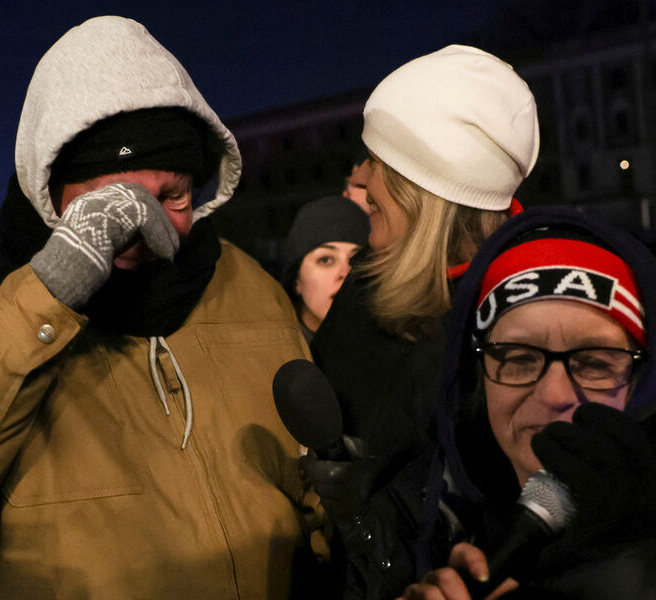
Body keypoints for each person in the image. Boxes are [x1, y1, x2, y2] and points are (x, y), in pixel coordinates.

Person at [0, 16, 318, 600]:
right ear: (47, 192)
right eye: (111, 200)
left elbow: (305, 485)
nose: (144, 226)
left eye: (172, 196)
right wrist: (51, 287)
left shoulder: (241, 282)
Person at [336, 206, 656, 599]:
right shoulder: (408, 520)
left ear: (642, 382)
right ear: (478, 377)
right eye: (519, 359)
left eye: (594, 364)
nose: (553, 395)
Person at [308, 46, 539, 491]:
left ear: (423, 185)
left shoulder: (525, 321)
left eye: (377, 161)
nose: (361, 179)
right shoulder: (364, 285)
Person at [280, 195, 369, 342]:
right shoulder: (270, 350)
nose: (345, 273)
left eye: (357, 259)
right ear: (296, 280)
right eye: (326, 260)